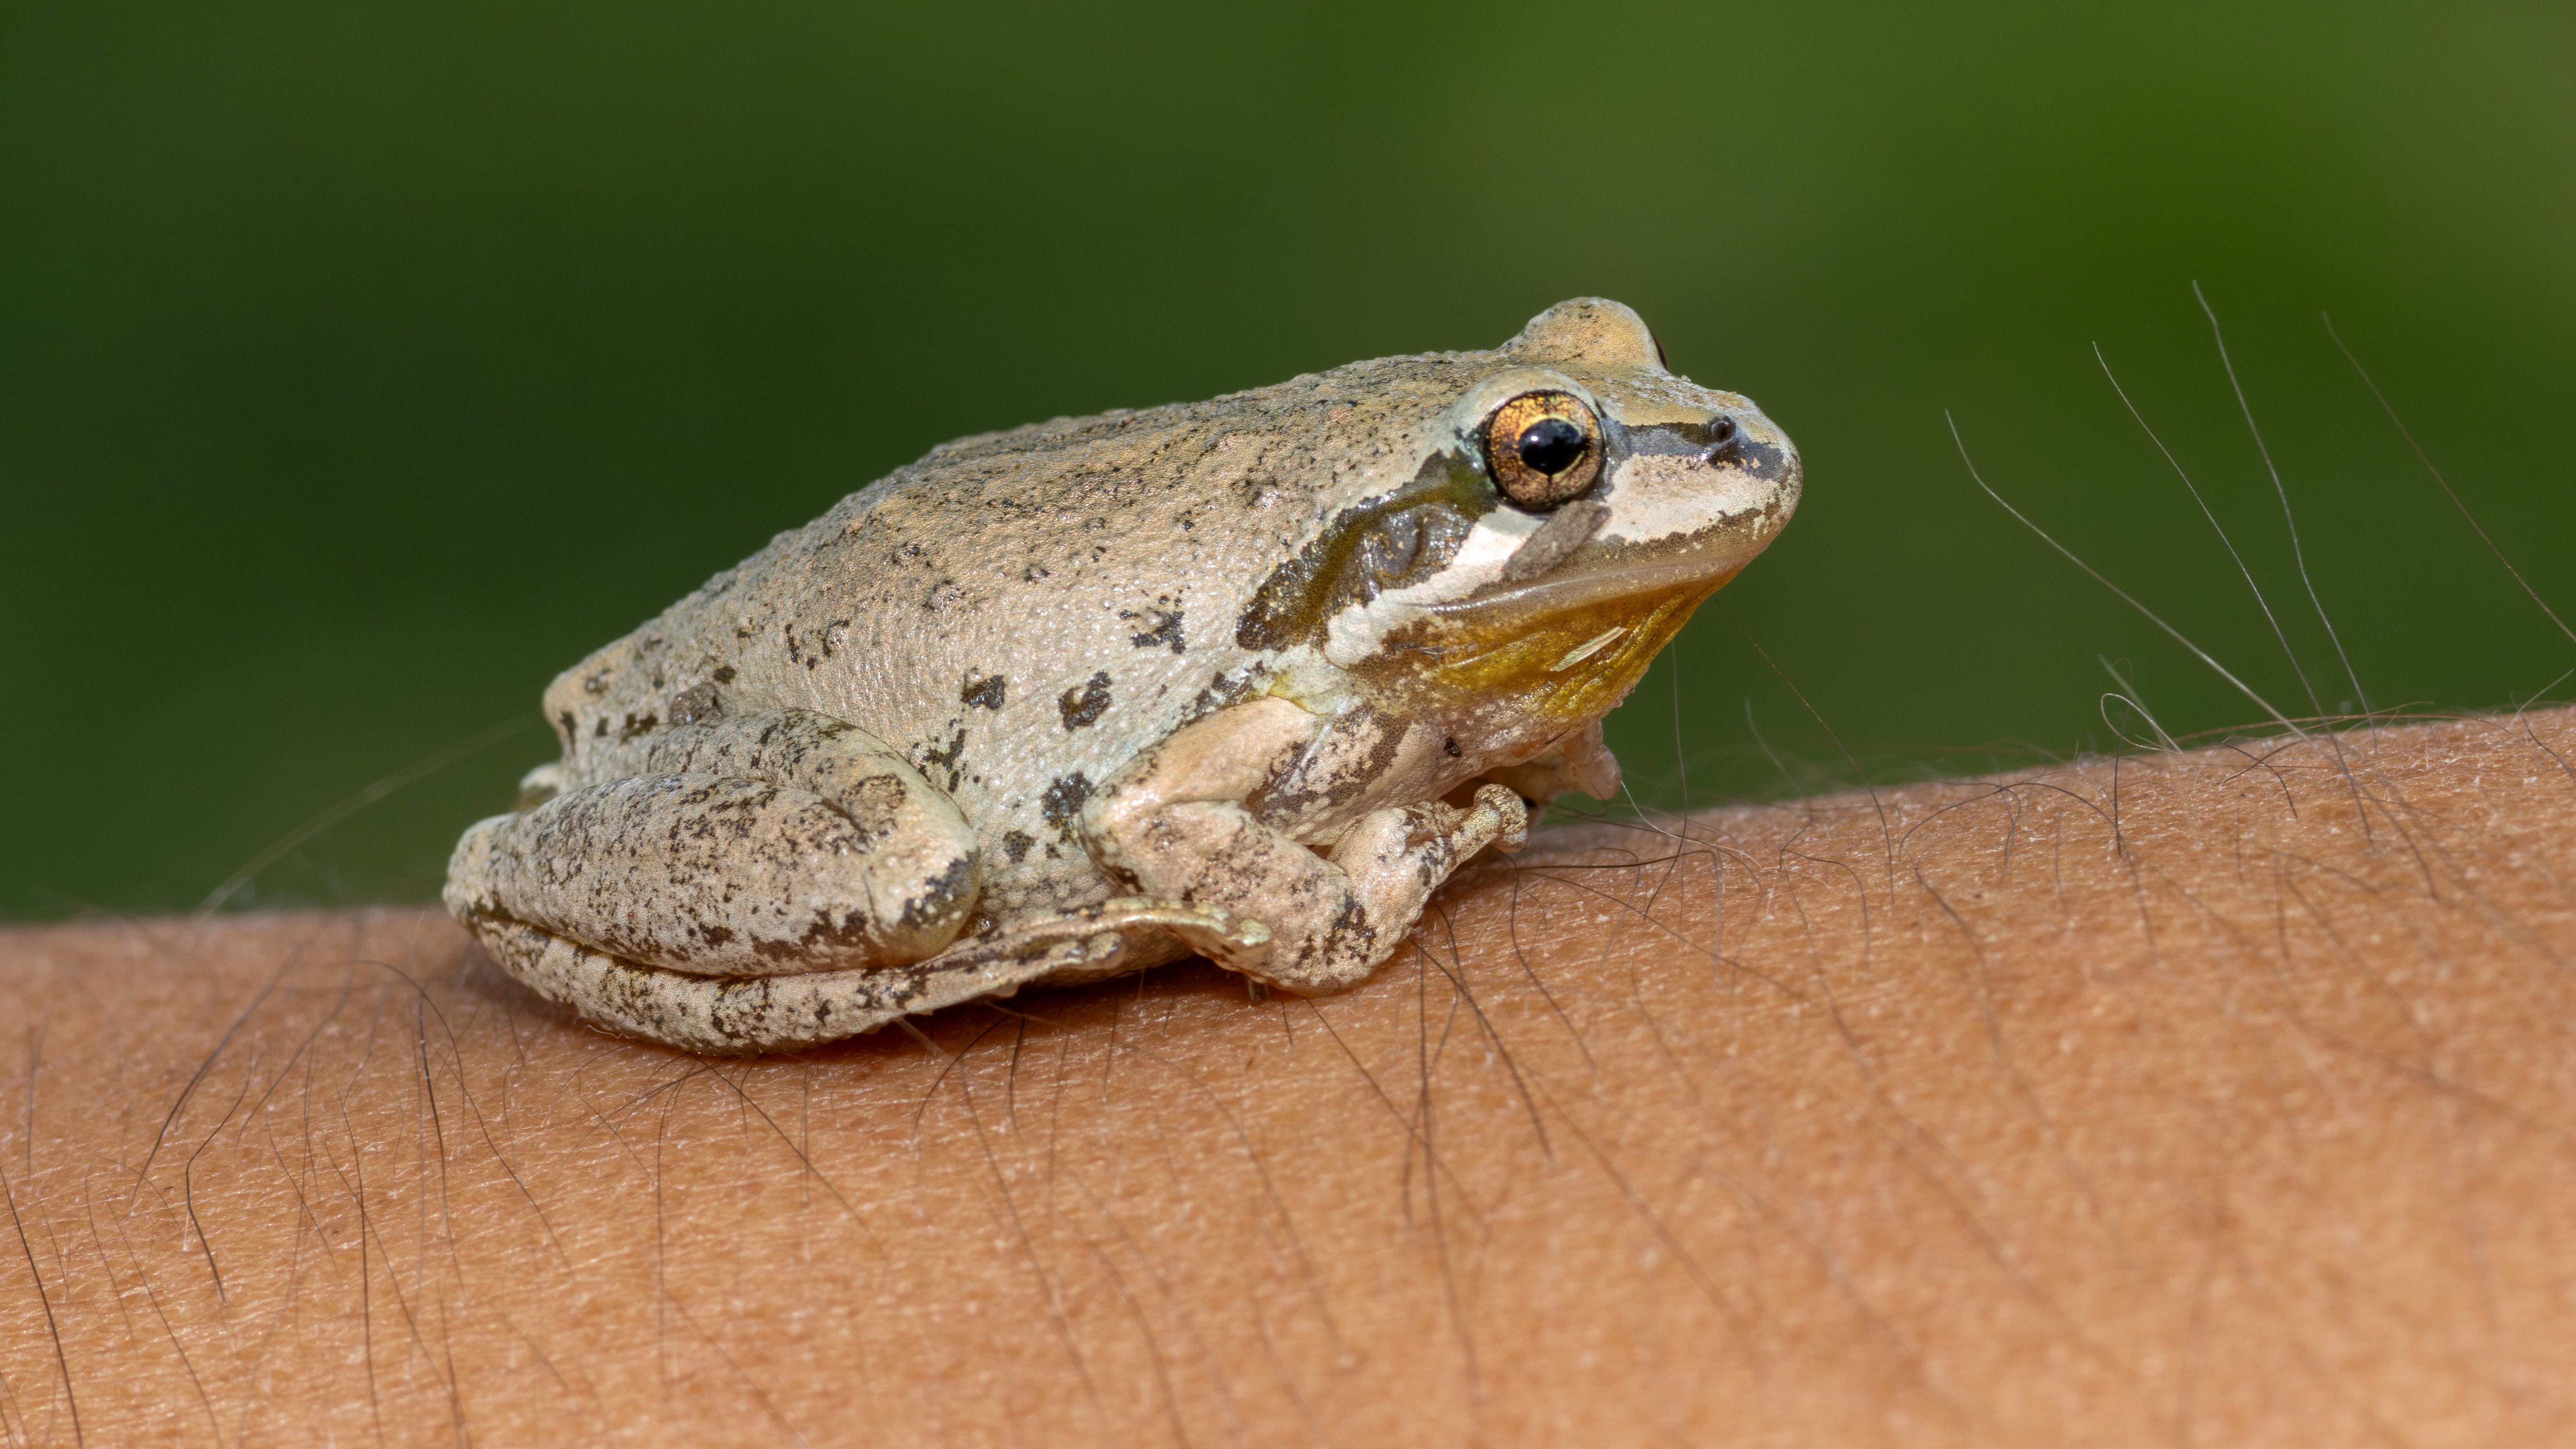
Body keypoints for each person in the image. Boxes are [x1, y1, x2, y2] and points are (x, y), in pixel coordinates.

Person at [3, 708, 2570, 1445]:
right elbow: (1197, 851)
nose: (1666, 477)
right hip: (876, 764)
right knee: (927, 858)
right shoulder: (1285, 698)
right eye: (1553, 469)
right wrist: (1408, 846)